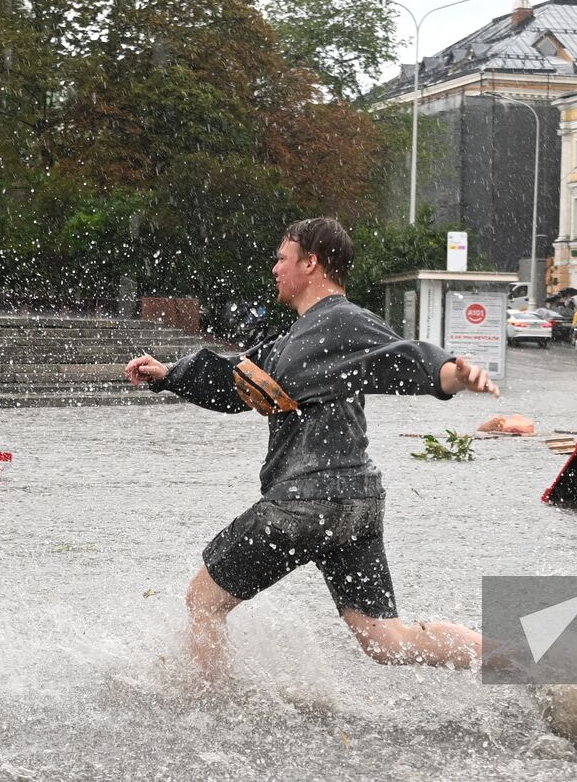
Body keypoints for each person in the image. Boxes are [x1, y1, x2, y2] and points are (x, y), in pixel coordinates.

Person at [124, 217, 499, 681]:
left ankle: (211, 707)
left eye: (283, 258)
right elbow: (233, 380)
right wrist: (169, 374)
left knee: (203, 601)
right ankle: (523, 660)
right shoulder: (292, 340)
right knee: (384, 639)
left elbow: (408, 356)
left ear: (311, 262)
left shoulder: (344, 320)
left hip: (303, 505)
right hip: (355, 508)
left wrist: (454, 375)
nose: (275, 269)